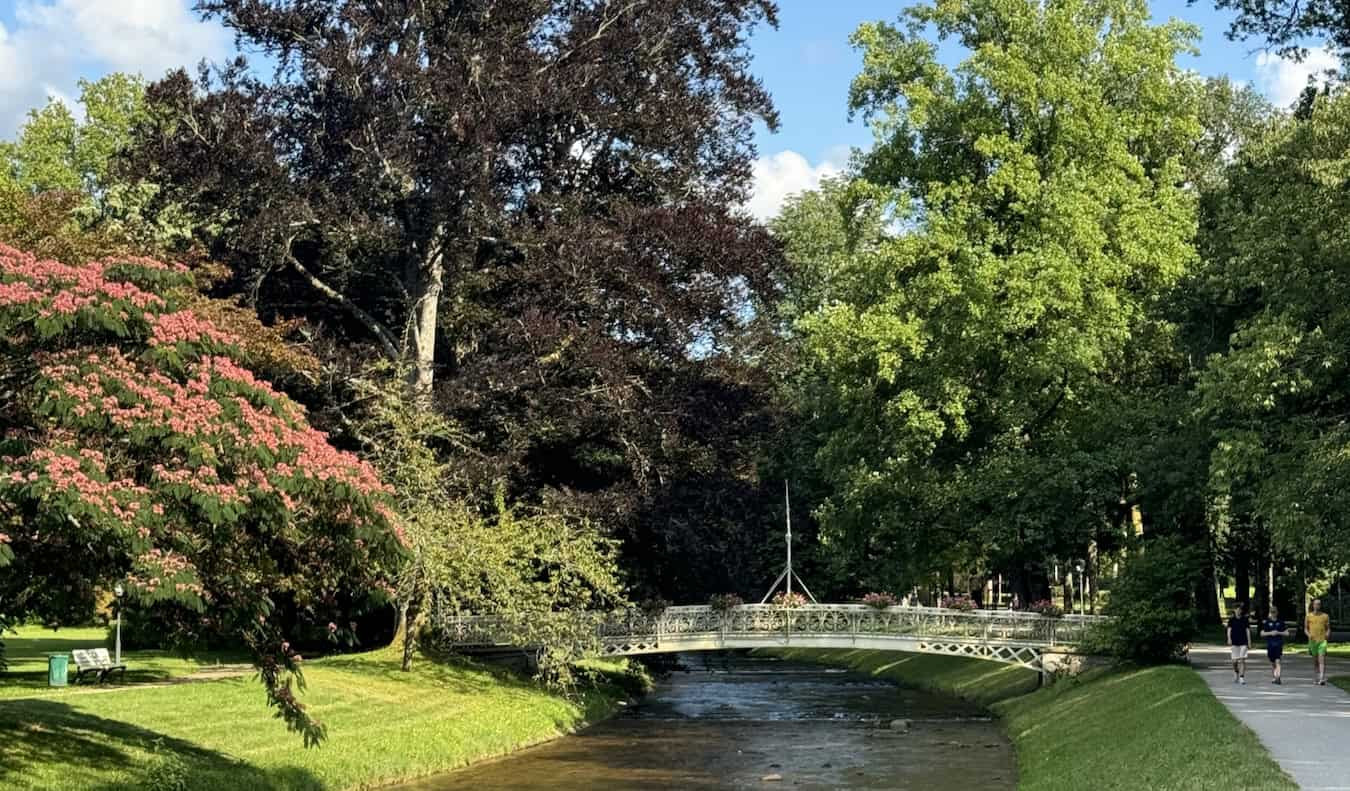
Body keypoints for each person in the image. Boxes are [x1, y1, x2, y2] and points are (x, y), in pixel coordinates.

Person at [1259, 606, 1289, 685]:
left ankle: (1278, 677)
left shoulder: (1281, 622)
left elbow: (1287, 633)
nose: (1273, 613)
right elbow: (1262, 633)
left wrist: (1278, 632)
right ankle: (1274, 676)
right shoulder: (1267, 622)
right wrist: (1270, 633)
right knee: (1273, 662)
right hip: (1270, 645)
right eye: (1272, 612)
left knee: (1278, 661)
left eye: (1274, 612)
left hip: (1278, 644)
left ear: (1277, 612)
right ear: (1270, 612)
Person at [1306, 598, 1331, 686]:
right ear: (1313, 605)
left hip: (1322, 641)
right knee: (1315, 661)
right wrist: (1308, 635)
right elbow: (1305, 628)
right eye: (1316, 604)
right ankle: (1316, 677)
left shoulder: (1325, 616)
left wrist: (1327, 634)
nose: (1317, 606)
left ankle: (1322, 678)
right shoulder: (1309, 616)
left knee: (1322, 660)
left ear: (1320, 606)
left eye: (1319, 604)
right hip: (1313, 641)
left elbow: (1328, 629)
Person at [1228, 603, 1251, 685]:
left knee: (1242, 659)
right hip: (1234, 642)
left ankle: (1241, 677)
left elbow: (1247, 631)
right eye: (1236, 609)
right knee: (1234, 661)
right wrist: (1229, 639)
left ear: (1241, 611)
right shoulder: (1231, 620)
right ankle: (1236, 671)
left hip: (1243, 642)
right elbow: (1229, 630)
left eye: (1239, 609)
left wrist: (1249, 642)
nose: (1238, 611)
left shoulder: (1245, 620)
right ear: (1234, 610)